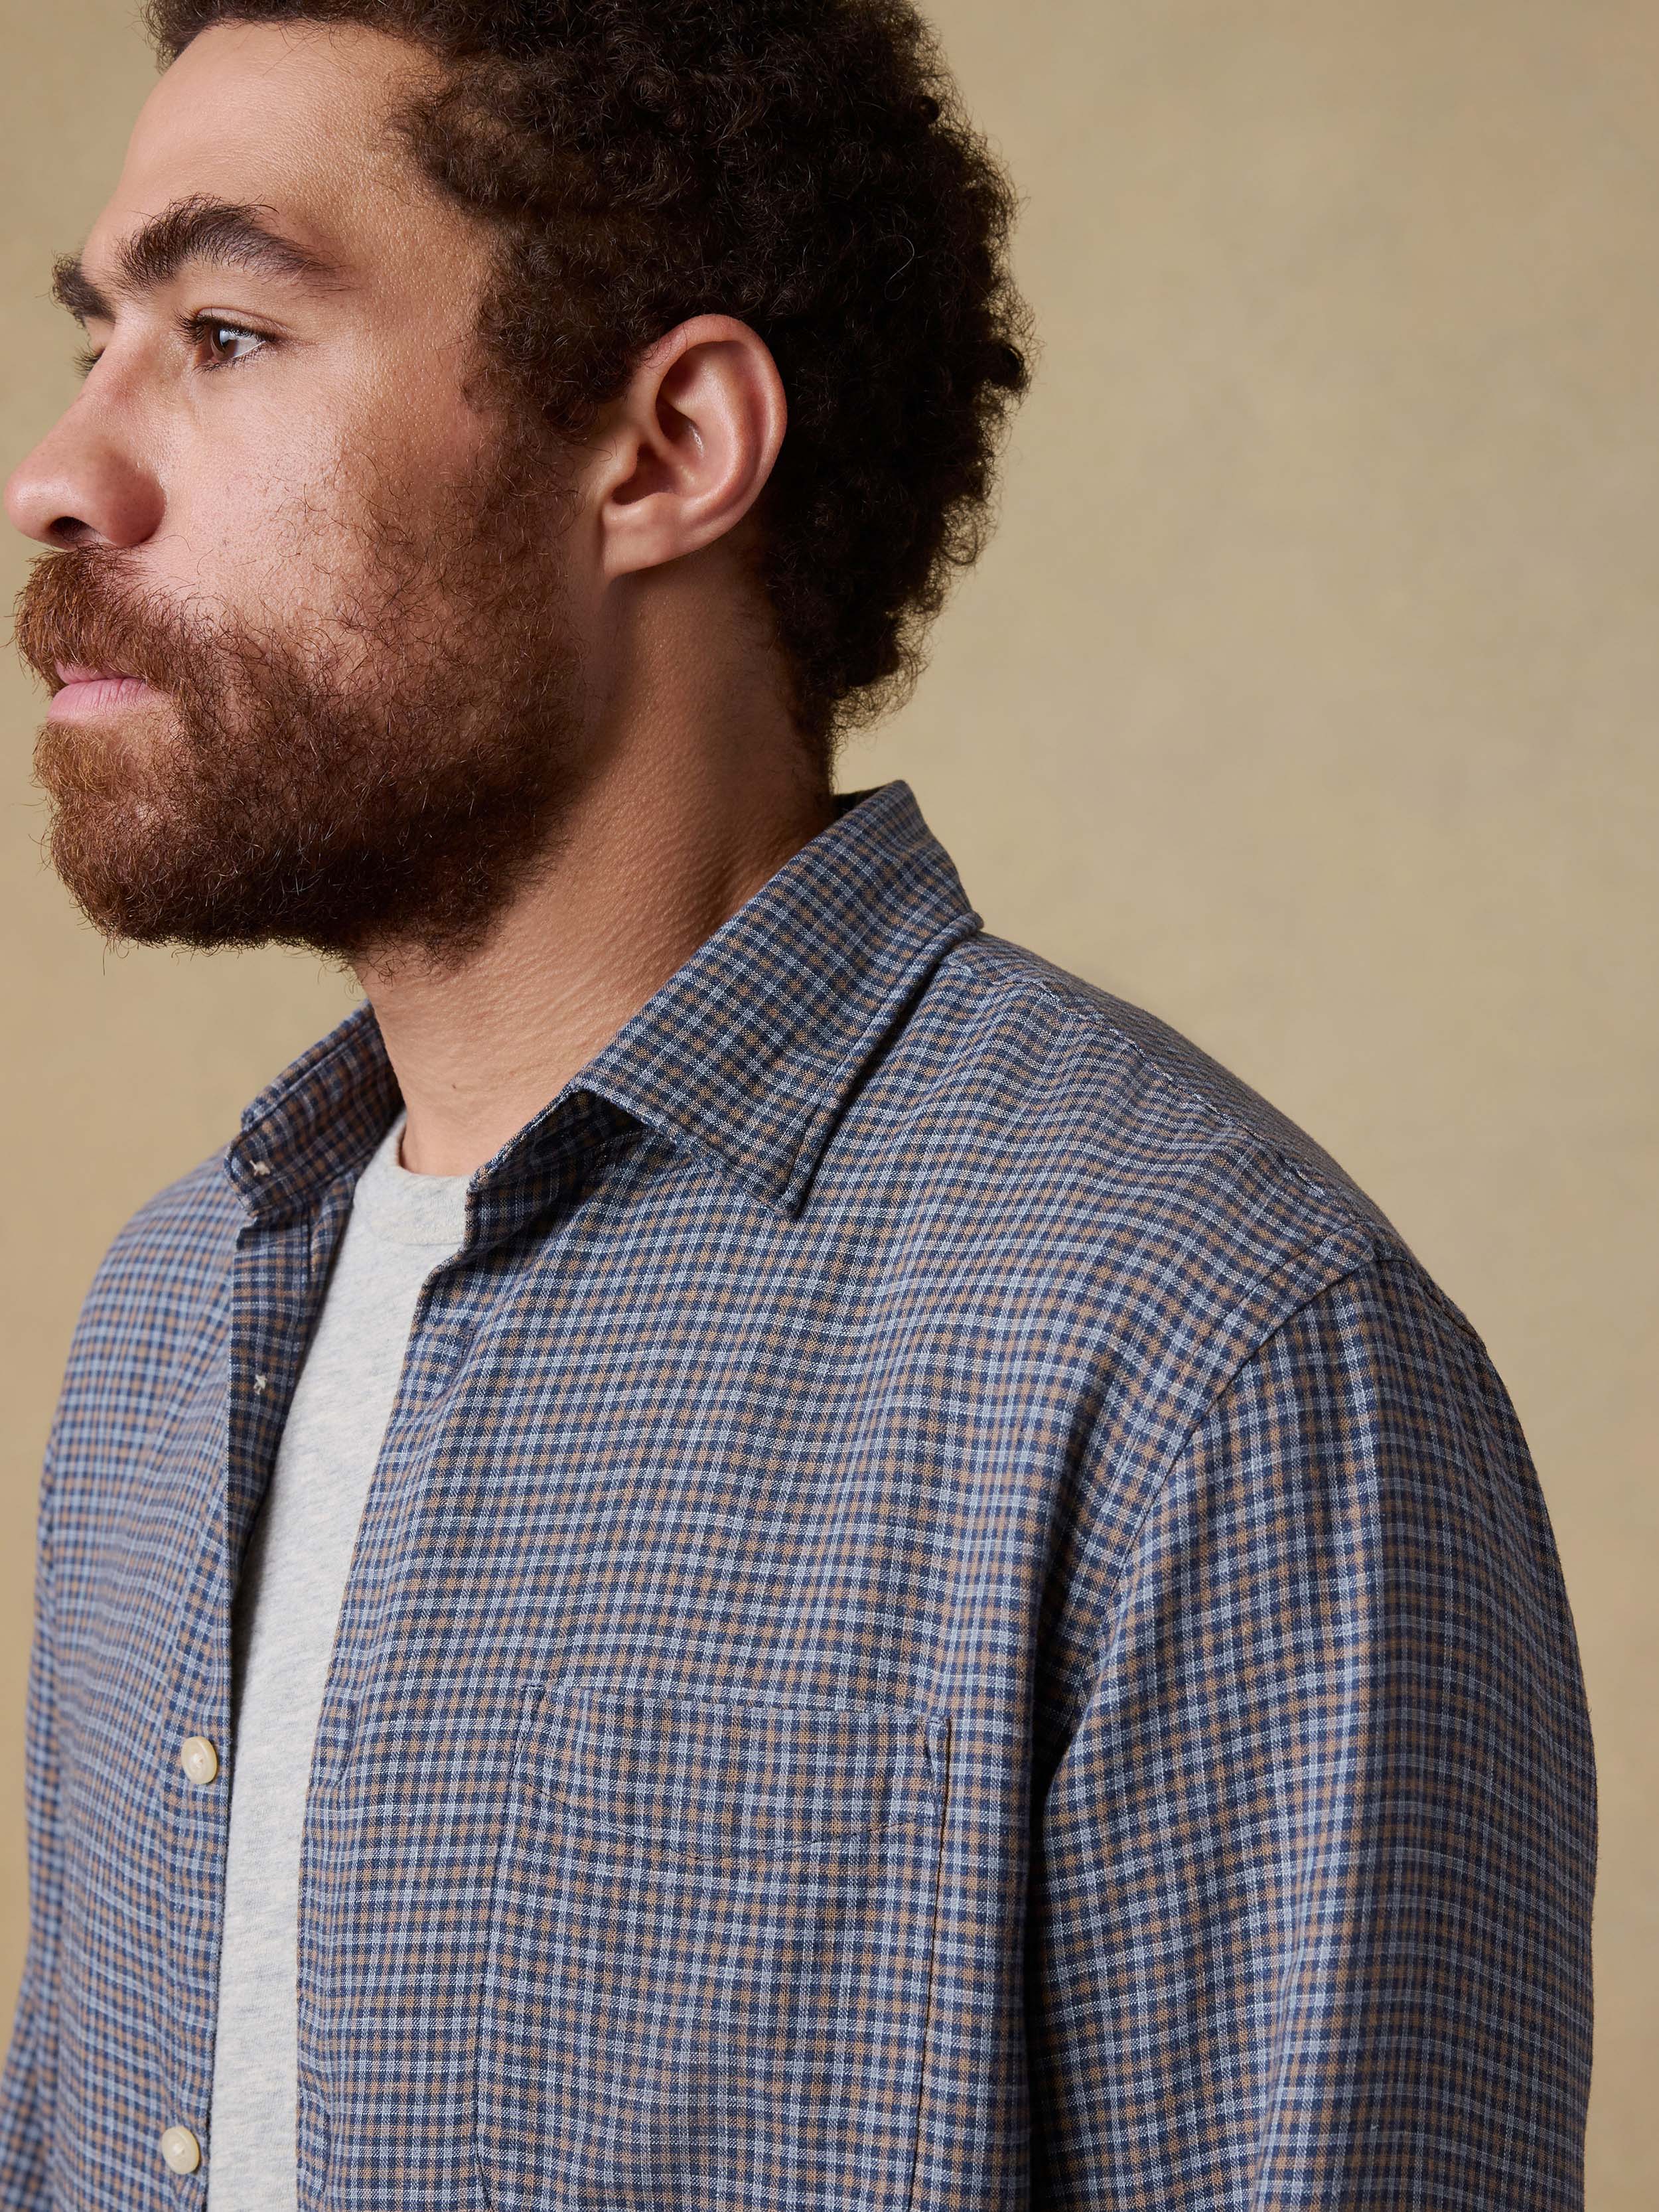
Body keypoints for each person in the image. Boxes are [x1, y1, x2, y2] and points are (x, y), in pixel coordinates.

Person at [0, 3, 1595, 2207]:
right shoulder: (170, 1323)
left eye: (232, 330)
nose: (61, 472)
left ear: (663, 448)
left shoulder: (1210, 1361)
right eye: (98, 333)